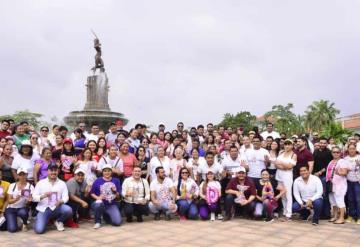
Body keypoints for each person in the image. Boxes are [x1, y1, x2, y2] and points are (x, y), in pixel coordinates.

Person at [32, 163, 73, 234]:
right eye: (51, 170)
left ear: (58, 171)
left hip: (57, 207)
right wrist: (43, 196)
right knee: (39, 230)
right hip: (44, 209)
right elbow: (33, 198)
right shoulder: (40, 183)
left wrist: (61, 201)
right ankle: (41, 219)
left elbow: (66, 197)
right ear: (47, 171)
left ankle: (58, 221)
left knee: (68, 210)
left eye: (55, 170)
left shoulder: (62, 183)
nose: (53, 172)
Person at [90, 163, 122, 229]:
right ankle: (97, 222)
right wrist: (98, 198)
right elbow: (92, 193)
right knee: (98, 204)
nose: (107, 172)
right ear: (102, 172)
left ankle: (106, 216)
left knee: (117, 222)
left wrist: (115, 192)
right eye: (105, 171)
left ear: (111, 172)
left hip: (111, 204)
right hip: (101, 203)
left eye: (109, 171)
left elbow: (118, 197)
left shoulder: (116, 181)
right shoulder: (97, 180)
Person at [5, 167, 34, 232]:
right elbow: (9, 201)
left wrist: (29, 201)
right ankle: (16, 220)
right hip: (11, 208)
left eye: (24, 174)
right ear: (18, 175)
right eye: (20, 174)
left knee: (23, 212)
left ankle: (24, 223)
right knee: (12, 229)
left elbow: (28, 203)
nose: (22, 176)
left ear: (27, 175)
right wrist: (16, 199)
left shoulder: (30, 186)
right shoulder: (12, 185)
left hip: (22, 208)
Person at [274, 139, 297, 220]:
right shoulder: (281, 153)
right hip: (279, 175)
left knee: (288, 194)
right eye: (285, 144)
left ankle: (289, 213)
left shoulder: (293, 155)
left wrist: (282, 163)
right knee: (282, 194)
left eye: (289, 144)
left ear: (292, 145)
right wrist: (284, 165)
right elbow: (276, 164)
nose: (287, 146)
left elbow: (290, 167)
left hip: (287, 176)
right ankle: (284, 211)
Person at [326, 146, 348, 224]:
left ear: (340, 153)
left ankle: (341, 218)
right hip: (330, 184)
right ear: (332, 153)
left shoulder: (342, 161)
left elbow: (345, 172)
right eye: (334, 152)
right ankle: (335, 216)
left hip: (339, 185)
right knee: (333, 201)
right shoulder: (331, 161)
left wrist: (338, 172)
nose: (336, 154)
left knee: (340, 201)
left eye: (337, 152)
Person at [313, 137, 333, 219]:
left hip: (324, 176)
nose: (322, 144)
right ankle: (319, 213)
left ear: (327, 144)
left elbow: (328, 165)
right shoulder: (316, 151)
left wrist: (320, 172)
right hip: (316, 176)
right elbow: (313, 163)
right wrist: (314, 173)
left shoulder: (328, 152)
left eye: (324, 143)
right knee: (318, 194)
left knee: (325, 195)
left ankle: (327, 214)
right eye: (321, 143)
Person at [345, 144, 360, 223]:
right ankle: (351, 215)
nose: (352, 150)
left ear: (355, 149)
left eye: (353, 148)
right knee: (350, 200)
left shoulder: (359, 157)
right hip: (348, 182)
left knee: (358, 200)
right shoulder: (345, 158)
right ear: (348, 149)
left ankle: (359, 217)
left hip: (357, 182)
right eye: (350, 149)